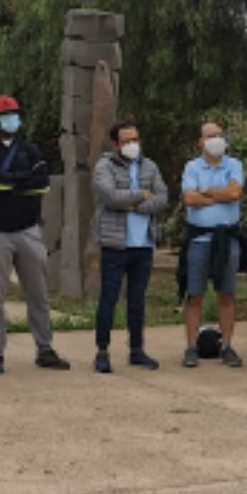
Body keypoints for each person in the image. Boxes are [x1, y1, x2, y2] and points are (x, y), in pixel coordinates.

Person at [0, 95, 69, 374]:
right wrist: (22, 181)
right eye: (6, 115)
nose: (12, 119)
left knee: (39, 294)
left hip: (28, 230)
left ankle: (45, 348)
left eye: (15, 114)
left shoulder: (30, 149)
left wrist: (10, 183)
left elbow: (42, 183)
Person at [91, 119, 168, 373]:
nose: (133, 144)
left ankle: (137, 350)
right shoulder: (104, 166)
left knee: (137, 301)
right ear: (116, 144)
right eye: (127, 141)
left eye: (135, 139)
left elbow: (162, 198)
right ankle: (102, 351)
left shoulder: (150, 166)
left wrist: (134, 206)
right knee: (109, 299)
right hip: (115, 245)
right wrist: (141, 194)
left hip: (143, 245)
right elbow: (109, 196)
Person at [179, 120, 245, 369]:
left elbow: (235, 193)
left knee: (227, 293)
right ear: (201, 142)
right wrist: (220, 194)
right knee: (194, 294)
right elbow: (189, 198)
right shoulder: (192, 167)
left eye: (219, 135)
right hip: (199, 240)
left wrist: (205, 192)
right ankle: (191, 347)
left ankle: (226, 346)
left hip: (227, 240)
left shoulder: (234, 165)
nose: (216, 140)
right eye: (210, 136)